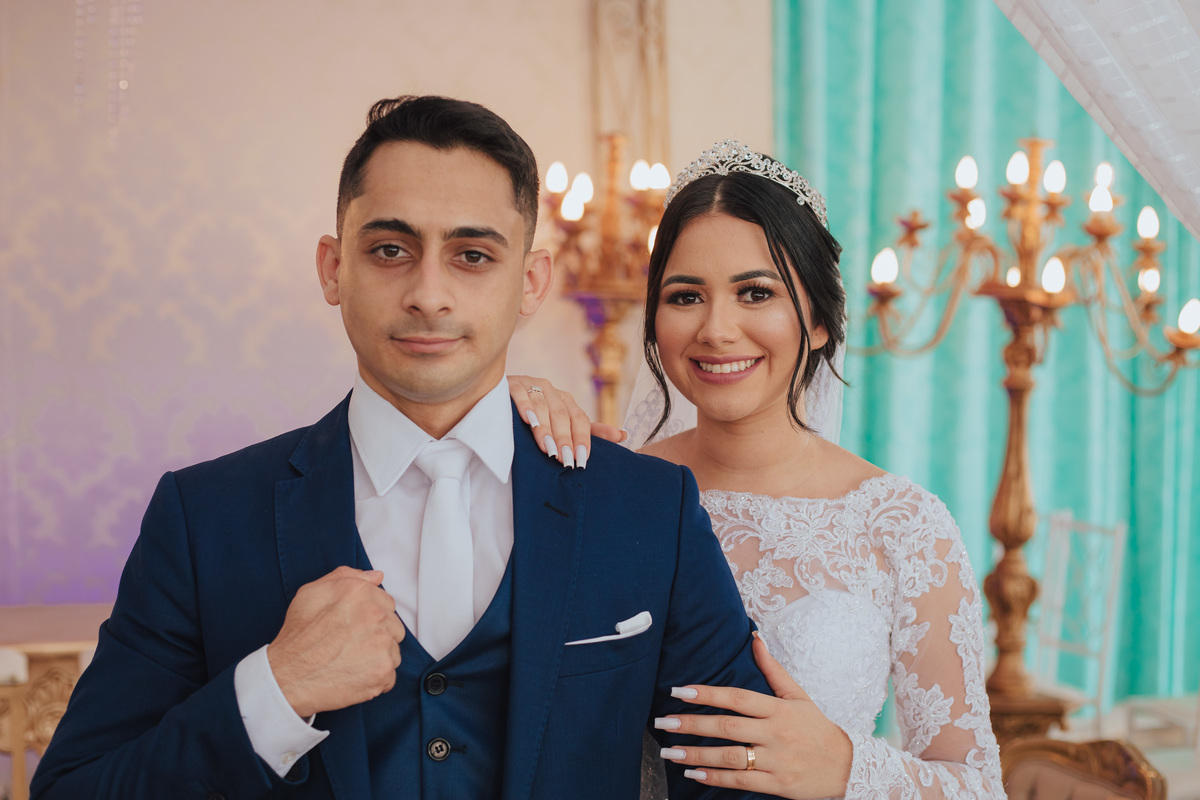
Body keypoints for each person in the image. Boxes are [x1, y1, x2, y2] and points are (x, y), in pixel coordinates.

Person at [30, 99, 778, 800]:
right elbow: (74, 788)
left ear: (531, 282)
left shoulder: (648, 508)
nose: (428, 293)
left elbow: (741, 781)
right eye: (390, 249)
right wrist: (276, 688)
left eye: (472, 255)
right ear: (333, 269)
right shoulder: (204, 517)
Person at [509, 140, 1004, 799]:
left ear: (820, 321)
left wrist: (844, 767)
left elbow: (976, 785)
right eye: (686, 296)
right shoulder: (602, 495)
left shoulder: (903, 526)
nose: (717, 329)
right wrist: (494, 412)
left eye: (755, 292)